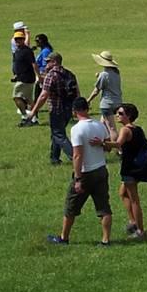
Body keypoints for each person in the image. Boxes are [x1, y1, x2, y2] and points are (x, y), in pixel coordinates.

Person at [47, 97, 113, 246]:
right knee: (103, 207)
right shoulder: (99, 125)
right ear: (87, 109)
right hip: (101, 169)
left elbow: (77, 155)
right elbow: (108, 147)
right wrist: (101, 143)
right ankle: (106, 240)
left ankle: (64, 238)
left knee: (71, 207)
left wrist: (77, 178)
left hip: (86, 172)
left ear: (74, 111)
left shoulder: (77, 129)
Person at [102, 102, 147, 239]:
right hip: (138, 167)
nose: (117, 115)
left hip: (130, 169)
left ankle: (140, 231)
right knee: (122, 193)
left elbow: (118, 144)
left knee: (134, 199)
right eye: (117, 113)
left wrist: (101, 143)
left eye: (121, 113)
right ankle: (133, 222)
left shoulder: (125, 130)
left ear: (129, 116)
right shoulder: (138, 129)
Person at [27, 52, 79, 166]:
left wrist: (34, 110)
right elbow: (77, 93)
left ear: (54, 62)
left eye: (48, 61)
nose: (45, 64)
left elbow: (43, 95)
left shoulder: (51, 75)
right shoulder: (70, 74)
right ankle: (54, 159)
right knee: (56, 133)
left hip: (56, 109)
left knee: (59, 135)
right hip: (68, 109)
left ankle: (75, 157)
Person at [11, 27, 38, 124]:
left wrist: (38, 75)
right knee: (29, 99)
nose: (18, 41)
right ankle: (33, 118)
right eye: (16, 39)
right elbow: (17, 64)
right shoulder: (17, 51)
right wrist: (15, 74)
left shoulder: (27, 51)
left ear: (23, 39)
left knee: (16, 97)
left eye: (20, 39)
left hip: (26, 78)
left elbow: (34, 64)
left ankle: (25, 116)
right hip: (21, 77)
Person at [87, 51, 122, 126]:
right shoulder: (116, 73)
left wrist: (88, 100)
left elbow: (96, 91)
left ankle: (114, 138)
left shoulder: (104, 75)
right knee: (102, 125)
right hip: (117, 102)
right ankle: (104, 137)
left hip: (107, 104)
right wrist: (99, 76)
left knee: (111, 128)